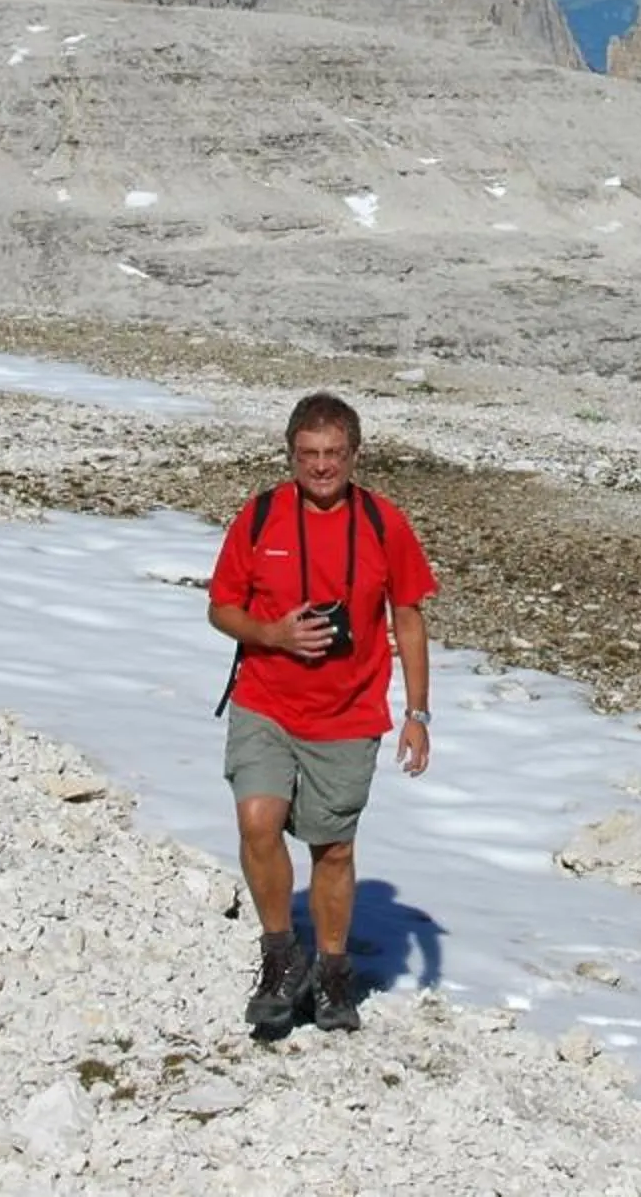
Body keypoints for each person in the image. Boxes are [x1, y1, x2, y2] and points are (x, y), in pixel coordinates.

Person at [206, 392, 436, 1033]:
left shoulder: (384, 523)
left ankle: (332, 972)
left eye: (334, 453)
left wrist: (418, 714)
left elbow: (409, 618)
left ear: (355, 455)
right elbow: (221, 608)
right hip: (265, 700)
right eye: (308, 453)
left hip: (348, 712)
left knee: (331, 848)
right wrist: (272, 635)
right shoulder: (260, 518)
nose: (322, 465)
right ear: (291, 455)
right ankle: (281, 957)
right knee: (258, 820)